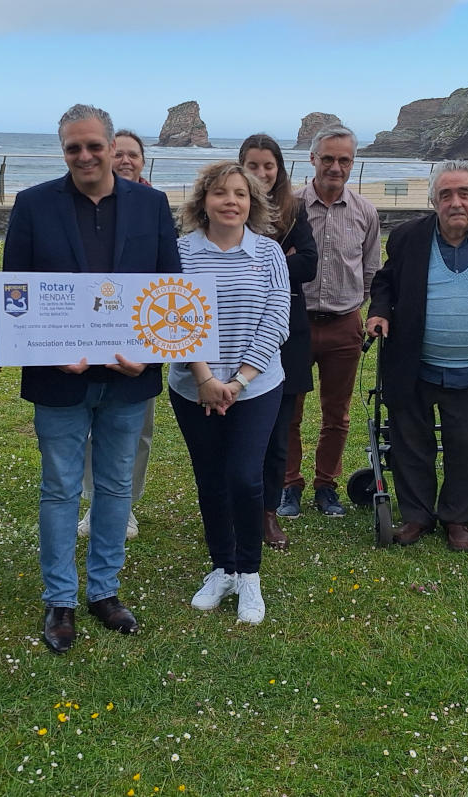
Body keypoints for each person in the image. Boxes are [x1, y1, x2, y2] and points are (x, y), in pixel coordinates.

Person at [3, 103, 180, 655]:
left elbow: (171, 287)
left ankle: (104, 590)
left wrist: (149, 358)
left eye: (93, 146)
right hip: (60, 379)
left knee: (115, 486)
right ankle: (60, 598)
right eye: (73, 148)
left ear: (111, 146)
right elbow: (15, 294)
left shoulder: (151, 204)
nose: (84, 155)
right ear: (64, 151)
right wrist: (48, 349)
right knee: (58, 488)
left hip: (129, 378)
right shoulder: (34, 205)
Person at [366, 160, 468, 552]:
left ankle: (457, 518)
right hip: (414, 363)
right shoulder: (408, 237)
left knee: (467, 444)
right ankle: (417, 516)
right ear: (432, 201)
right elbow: (386, 281)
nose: (455, 202)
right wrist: (378, 311)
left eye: (463, 193)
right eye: (445, 195)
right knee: (410, 442)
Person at [170, 161, 290, 623]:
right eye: (220, 193)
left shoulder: (269, 254)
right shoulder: (179, 252)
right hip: (192, 386)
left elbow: (276, 322)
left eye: (240, 194)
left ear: (252, 202)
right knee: (211, 479)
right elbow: (173, 317)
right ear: (203, 201)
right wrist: (204, 379)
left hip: (256, 388)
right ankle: (222, 567)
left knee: (244, 477)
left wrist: (237, 382)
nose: (230, 202)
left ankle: (250, 575)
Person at [279, 125, 381, 520]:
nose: (335, 167)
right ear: (312, 159)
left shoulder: (365, 212)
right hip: (294, 323)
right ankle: (290, 485)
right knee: (289, 409)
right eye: (328, 158)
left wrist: (362, 311)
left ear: (352, 163)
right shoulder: (290, 206)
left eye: (344, 160)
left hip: (343, 325)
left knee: (336, 413)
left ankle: (327, 486)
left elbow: (370, 270)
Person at [76, 127, 155, 541]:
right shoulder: (83, 205)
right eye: (119, 153)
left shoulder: (155, 207)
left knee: (137, 430)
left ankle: (124, 506)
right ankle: (95, 501)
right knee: (89, 427)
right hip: (87, 328)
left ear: (142, 161)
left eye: (133, 155)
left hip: (137, 337)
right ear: (107, 155)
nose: (126, 161)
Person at [239, 134, 317, 550]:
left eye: (269, 166)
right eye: (253, 165)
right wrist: (277, 258)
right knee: (232, 431)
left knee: (277, 433)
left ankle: (268, 515)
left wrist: (267, 264)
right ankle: (234, 510)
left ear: (279, 169)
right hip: (232, 335)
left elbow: (308, 263)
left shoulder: (295, 210)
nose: (262, 173)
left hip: (286, 334)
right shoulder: (229, 208)